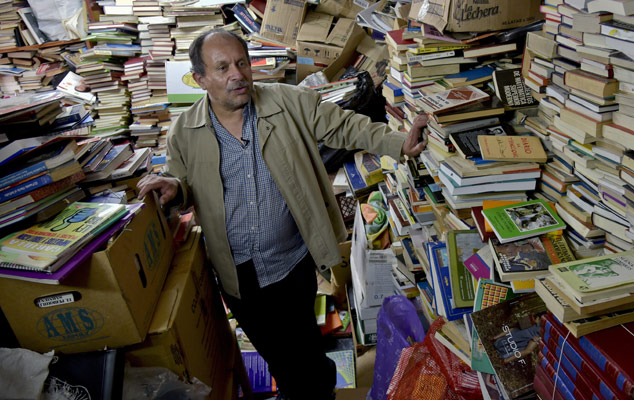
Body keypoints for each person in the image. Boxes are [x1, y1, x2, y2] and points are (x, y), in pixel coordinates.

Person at [136, 28, 427, 400]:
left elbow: (343, 126)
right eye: (222, 68)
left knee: (304, 348)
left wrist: (397, 142)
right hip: (237, 274)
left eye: (241, 63)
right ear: (200, 79)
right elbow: (184, 184)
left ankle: (316, 390)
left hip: (292, 262)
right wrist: (175, 189)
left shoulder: (288, 102)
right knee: (275, 354)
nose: (237, 74)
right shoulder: (185, 131)